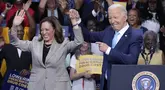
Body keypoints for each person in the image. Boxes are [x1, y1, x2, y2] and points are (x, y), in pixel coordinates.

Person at [71, 4, 143, 90]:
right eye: (110, 18)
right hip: (105, 84)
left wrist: (108, 50)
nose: (112, 21)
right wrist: (78, 21)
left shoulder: (135, 35)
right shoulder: (109, 30)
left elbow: (131, 60)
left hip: (123, 84)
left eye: (115, 17)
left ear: (125, 17)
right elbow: (88, 36)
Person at [9, 9, 84, 90]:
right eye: (42, 30)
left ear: (54, 30)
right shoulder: (35, 42)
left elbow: (79, 42)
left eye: (47, 30)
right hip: (37, 86)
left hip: (58, 86)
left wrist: (74, 23)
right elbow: (14, 42)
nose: (44, 32)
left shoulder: (63, 44)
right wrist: (14, 25)